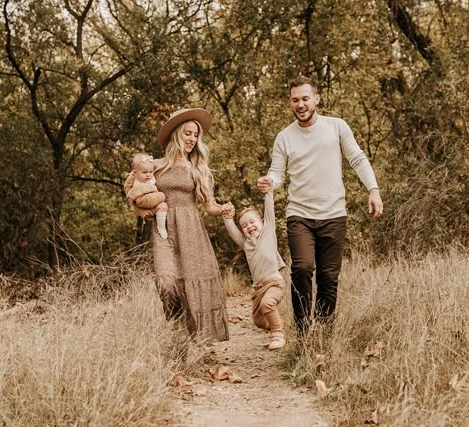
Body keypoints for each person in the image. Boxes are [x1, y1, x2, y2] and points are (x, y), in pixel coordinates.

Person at [258, 75, 383, 333]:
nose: (300, 104)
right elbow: (277, 172)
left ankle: (323, 332)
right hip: (299, 215)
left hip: (334, 214)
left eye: (305, 98)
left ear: (316, 98)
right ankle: (304, 331)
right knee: (302, 268)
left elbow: (357, 159)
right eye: (295, 100)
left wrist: (373, 189)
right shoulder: (284, 137)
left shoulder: (336, 127)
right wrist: (269, 181)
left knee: (328, 277)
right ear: (290, 103)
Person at [127, 107, 232, 342]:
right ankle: (176, 330)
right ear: (176, 134)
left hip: (191, 230)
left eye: (195, 135)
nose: (192, 139)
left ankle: (192, 340)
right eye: (188, 133)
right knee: (166, 282)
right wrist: (140, 209)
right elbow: (131, 188)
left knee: (192, 282)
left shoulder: (198, 168)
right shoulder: (155, 165)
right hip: (164, 230)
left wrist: (223, 208)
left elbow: (209, 205)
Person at [222, 187, 286, 350]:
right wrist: (227, 217)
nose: (249, 226)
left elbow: (269, 211)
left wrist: (268, 193)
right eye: (244, 225)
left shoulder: (268, 233)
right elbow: (232, 231)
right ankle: (278, 323)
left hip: (274, 283)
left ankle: (278, 335)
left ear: (262, 223)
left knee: (267, 305)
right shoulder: (246, 244)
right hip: (259, 289)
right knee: (258, 321)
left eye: (252, 222)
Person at [125, 152, 168, 239]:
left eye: (150, 172)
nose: (148, 175)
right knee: (162, 196)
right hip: (141, 199)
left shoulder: (151, 176)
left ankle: (161, 227)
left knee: (163, 206)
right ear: (135, 172)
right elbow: (127, 189)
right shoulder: (134, 178)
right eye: (144, 172)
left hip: (152, 204)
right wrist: (134, 204)